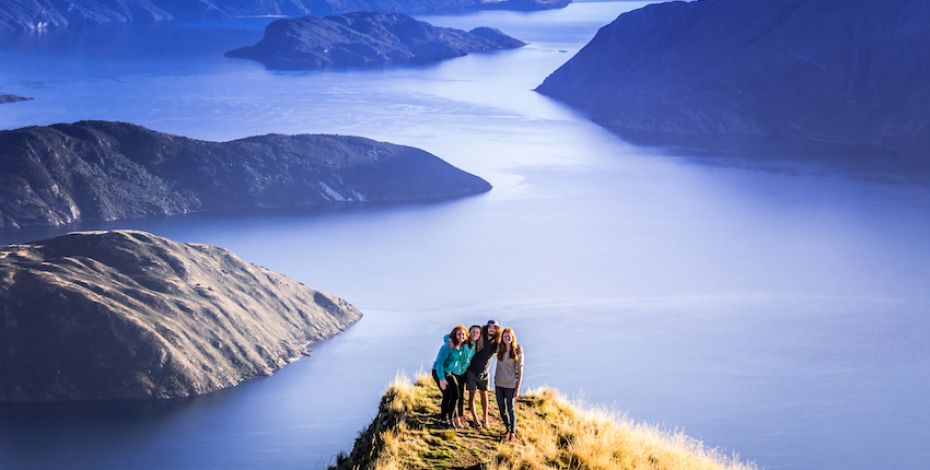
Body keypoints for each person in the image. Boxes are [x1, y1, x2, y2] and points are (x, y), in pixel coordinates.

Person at [433, 325, 470, 428]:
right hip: (438, 371)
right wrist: (441, 379)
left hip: (448, 372)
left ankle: (451, 418)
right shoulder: (448, 346)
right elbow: (439, 363)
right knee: (447, 394)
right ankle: (443, 420)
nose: (461, 336)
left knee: (456, 395)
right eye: (458, 334)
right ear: (454, 335)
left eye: (463, 334)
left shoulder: (461, 347)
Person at [465, 320, 500, 428]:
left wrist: (518, 350)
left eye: (494, 327)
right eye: (490, 327)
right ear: (486, 327)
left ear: (497, 329)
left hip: (484, 373)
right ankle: (475, 420)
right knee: (471, 396)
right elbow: (466, 337)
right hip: (472, 371)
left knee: (484, 396)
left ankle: (485, 419)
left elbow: (508, 348)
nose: (492, 329)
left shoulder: (497, 343)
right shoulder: (480, 337)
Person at [494, 327, 524, 441]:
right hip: (499, 383)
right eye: (505, 336)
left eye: (509, 336)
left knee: (510, 408)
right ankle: (508, 428)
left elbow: (520, 371)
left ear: (512, 337)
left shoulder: (517, 350)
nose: (507, 338)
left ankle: (512, 432)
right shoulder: (499, 349)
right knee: (502, 408)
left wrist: (518, 388)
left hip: (511, 385)